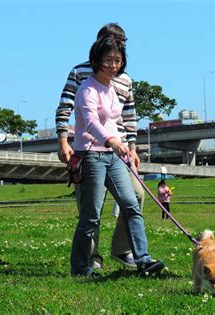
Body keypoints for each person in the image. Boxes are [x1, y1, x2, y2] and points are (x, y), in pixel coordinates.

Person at [69, 35, 164, 277]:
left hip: (114, 156)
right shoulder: (86, 88)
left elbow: (117, 121)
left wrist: (125, 145)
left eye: (118, 61)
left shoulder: (113, 88)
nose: (113, 65)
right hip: (91, 155)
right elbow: (90, 122)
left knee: (131, 204)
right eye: (108, 60)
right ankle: (81, 267)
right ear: (96, 59)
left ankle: (142, 260)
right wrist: (111, 141)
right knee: (91, 215)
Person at [56, 23, 144, 270]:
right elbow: (65, 106)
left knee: (135, 195)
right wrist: (63, 139)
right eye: (113, 44)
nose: (117, 54)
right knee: (91, 207)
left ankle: (122, 249)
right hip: (90, 149)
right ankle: (91, 259)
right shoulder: (80, 72)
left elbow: (129, 115)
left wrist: (133, 147)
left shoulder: (126, 79)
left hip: (121, 151)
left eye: (123, 45)